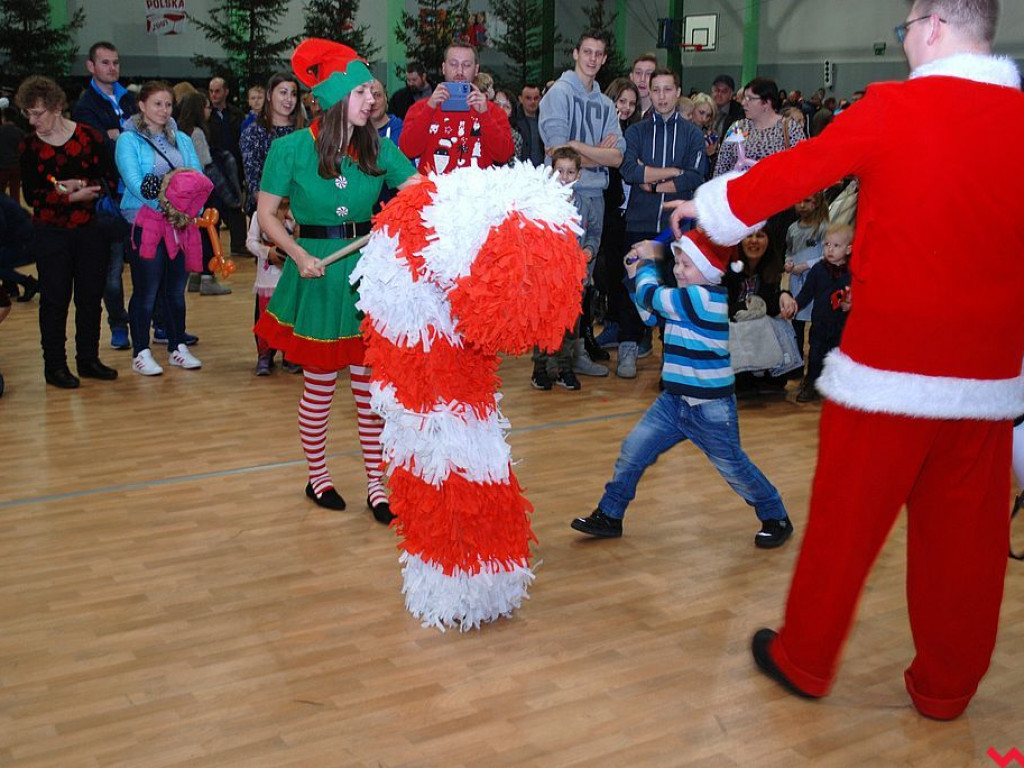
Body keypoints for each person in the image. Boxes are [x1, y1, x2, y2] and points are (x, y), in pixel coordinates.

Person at [669, 0, 1024, 720]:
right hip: (987, 378)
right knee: (966, 545)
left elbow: (793, 172)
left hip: (889, 367)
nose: (904, 49)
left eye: (905, 34)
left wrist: (710, 218)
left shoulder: (895, 107)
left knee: (844, 523)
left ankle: (806, 658)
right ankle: (947, 688)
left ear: (930, 25)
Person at [253, 39, 420, 522]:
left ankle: (376, 485)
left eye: (373, 92)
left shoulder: (380, 147)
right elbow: (266, 215)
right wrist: (297, 254)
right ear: (332, 97)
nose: (372, 100)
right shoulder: (289, 150)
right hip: (319, 271)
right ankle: (318, 476)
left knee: (370, 389)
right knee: (321, 384)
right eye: (361, 92)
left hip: (368, 270)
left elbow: (419, 192)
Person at [570, 230, 792, 547]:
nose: (677, 269)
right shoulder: (685, 298)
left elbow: (651, 298)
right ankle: (609, 513)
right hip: (674, 402)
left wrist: (646, 264)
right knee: (633, 452)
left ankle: (776, 516)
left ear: (709, 270)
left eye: (686, 264)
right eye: (677, 262)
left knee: (734, 468)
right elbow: (649, 315)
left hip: (710, 408)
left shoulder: (704, 298)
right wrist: (635, 275)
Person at [17, 76, 118, 389]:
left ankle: (87, 359)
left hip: (90, 229)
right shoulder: (29, 146)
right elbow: (33, 196)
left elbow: (112, 179)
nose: (33, 121)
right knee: (55, 299)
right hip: (50, 232)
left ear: (57, 107)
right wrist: (67, 195)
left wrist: (90, 189)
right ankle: (55, 366)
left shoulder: (90, 137)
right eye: (28, 114)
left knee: (90, 297)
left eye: (38, 113)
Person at [539, 30, 625, 376]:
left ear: (604, 59)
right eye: (586, 51)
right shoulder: (558, 95)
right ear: (576, 53)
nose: (592, 58)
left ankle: (574, 352)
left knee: (584, 277)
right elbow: (559, 155)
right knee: (561, 279)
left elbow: (618, 157)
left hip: (595, 197)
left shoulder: (606, 104)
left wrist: (580, 148)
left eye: (598, 53)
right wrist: (596, 154)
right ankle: (550, 359)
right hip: (564, 198)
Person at [616, 67, 707, 378]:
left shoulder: (693, 134)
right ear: (649, 93)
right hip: (639, 221)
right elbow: (630, 171)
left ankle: (672, 357)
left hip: (677, 226)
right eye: (657, 90)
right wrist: (673, 172)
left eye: (668, 90)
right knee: (633, 283)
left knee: (672, 286)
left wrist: (653, 181)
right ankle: (629, 346)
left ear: (678, 92)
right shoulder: (636, 132)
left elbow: (694, 177)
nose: (663, 96)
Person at [116, 80, 204, 376]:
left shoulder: (182, 139)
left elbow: (197, 178)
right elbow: (135, 181)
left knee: (175, 289)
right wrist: (171, 202)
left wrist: (188, 208)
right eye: (157, 104)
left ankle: (177, 345)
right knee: (147, 288)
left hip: (180, 223)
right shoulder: (129, 140)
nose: (164, 110)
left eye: (168, 104)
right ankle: (140, 351)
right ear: (141, 105)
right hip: (145, 220)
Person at [73, 41, 137, 352]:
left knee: (148, 267)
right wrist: (122, 137)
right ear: (91, 66)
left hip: (140, 197)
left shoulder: (131, 99)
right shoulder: (85, 106)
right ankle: (117, 324)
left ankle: (159, 324)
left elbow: (142, 138)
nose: (112, 67)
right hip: (110, 198)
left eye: (115, 62)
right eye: (105, 62)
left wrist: (117, 135)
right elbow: (96, 147)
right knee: (112, 274)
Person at [530, 146, 598, 391]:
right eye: (560, 171)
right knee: (544, 322)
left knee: (570, 326)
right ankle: (540, 368)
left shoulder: (586, 205)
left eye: (570, 172)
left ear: (578, 175)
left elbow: (593, 233)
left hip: (574, 278)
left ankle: (563, 368)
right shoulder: (542, 204)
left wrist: (589, 249)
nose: (565, 177)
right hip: (547, 277)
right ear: (551, 172)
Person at [399, 42, 514, 174]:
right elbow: (407, 150)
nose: (459, 71)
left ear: (476, 70)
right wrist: (429, 108)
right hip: (433, 192)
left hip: (477, 192)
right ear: (443, 68)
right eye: (453, 64)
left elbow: (504, 155)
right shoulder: (421, 108)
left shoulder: (492, 111)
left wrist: (484, 115)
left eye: (466, 65)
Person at [780, 223, 853, 403]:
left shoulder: (852, 273)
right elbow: (806, 293)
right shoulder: (818, 270)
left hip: (842, 325)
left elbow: (858, 296)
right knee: (815, 355)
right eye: (827, 244)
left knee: (838, 357)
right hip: (820, 323)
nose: (830, 249)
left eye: (836, 246)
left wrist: (851, 304)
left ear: (849, 249)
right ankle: (811, 383)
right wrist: (796, 304)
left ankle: (836, 386)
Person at [240, 71, 304, 217]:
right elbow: (253, 181)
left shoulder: (304, 131)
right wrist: (279, 213)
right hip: (266, 213)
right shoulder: (253, 133)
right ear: (269, 95)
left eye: (293, 94)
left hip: (303, 213)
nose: (289, 99)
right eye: (283, 93)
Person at [783, 192, 829, 356]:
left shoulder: (823, 227)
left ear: (816, 203)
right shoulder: (792, 228)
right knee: (797, 324)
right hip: (797, 282)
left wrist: (806, 265)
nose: (802, 205)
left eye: (807, 201)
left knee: (816, 325)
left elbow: (828, 255)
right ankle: (797, 362)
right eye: (798, 200)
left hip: (817, 282)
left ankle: (816, 363)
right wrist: (788, 262)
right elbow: (789, 250)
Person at [514, 83, 544, 165]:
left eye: (536, 98)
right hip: (520, 170)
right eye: (528, 98)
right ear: (520, 99)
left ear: (540, 99)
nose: (532, 101)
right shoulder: (513, 121)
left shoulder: (545, 120)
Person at [0, 107, 25, 203]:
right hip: (16, 167)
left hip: (2, 167)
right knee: (15, 195)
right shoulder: (20, 133)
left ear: (4, 118)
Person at [492, 89, 523, 163]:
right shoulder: (478, 127)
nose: (500, 109)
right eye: (497, 104)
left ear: (511, 113)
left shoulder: (515, 136)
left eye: (506, 107)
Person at [369, 79, 402, 145]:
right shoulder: (356, 134)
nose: (373, 102)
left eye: (377, 95)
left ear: (385, 98)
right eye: (368, 98)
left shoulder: (402, 130)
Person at [629, 54, 658, 120]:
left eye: (649, 74)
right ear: (631, 77)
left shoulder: (662, 115)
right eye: (638, 73)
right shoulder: (623, 114)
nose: (642, 79)